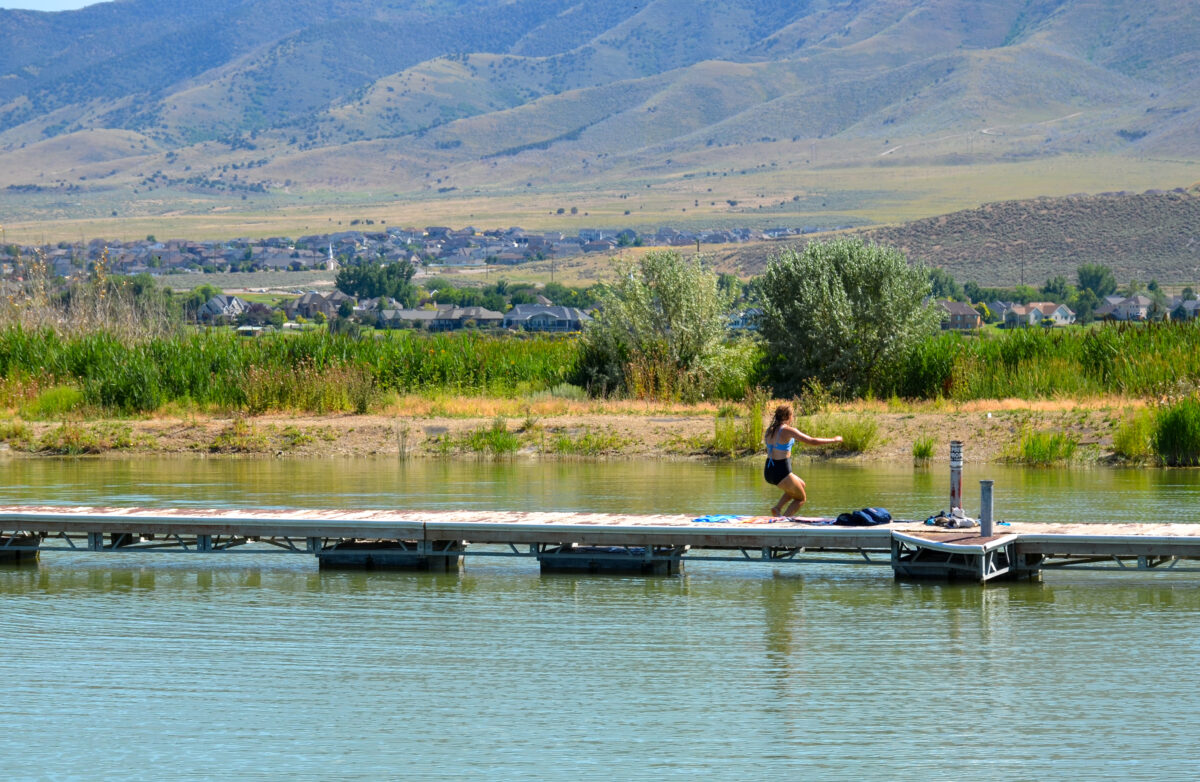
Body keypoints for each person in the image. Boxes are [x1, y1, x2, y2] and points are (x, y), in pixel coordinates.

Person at [763, 403, 842, 517]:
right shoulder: (787, 430)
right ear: (788, 416)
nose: (793, 418)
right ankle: (784, 521)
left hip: (768, 470)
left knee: (801, 484)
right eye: (792, 415)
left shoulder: (769, 430)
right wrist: (834, 440)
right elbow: (812, 441)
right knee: (801, 498)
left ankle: (777, 508)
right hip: (781, 471)